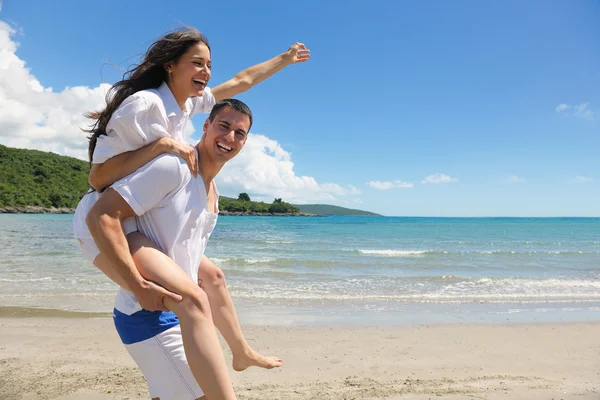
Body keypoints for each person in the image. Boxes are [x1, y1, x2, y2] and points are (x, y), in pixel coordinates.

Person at [73, 27, 310, 372]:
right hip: (106, 222)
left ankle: (240, 352)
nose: (206, 72)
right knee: (176, 302)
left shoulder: (188, 103)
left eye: (209, 65)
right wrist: (161, 146)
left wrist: (285, 59)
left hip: (144, 214)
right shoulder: (145, 104)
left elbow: (242, 81)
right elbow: (97, 178)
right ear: (170, 65)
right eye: (197, 63)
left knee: (211, 277)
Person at [88, 98, 252, 399]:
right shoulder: (173, 168)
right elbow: (102, 215)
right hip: (147, 315)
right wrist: (138, 286)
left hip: (177, 315)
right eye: (224, 126)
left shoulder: (211, 190)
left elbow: (179, 249)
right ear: (206, 125)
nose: (230, 137)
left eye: (239, 133)